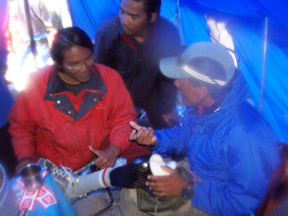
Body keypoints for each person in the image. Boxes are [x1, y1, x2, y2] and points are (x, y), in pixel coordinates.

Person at [125, 41, 281, 215]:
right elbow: (186, 134)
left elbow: (242, 204)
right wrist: (155, 138)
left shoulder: (246, 134)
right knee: (135, 186)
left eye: (180, 79)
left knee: (135, 203)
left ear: (202, 91)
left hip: (215, 201)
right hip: (196, 175)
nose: (176, 84)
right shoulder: (202, 108)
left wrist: (188, 188)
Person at [9, 26, 136, 180]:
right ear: (58, 64)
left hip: (99, 155)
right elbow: (21, 126)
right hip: (54, 164)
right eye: (74, 65)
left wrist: (114, 148)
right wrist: (25, 157)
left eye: (89, 58)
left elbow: (123, 117)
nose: (84, 69)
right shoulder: (36, 85)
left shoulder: (110, 78)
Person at [94, 0, 181, 130]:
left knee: (168, 135)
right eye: (122, 12)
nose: (124, 20)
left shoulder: (168, 34)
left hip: (154, 95)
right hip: (118, 98)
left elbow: (169, 76)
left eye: (132, 17)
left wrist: (167, 108)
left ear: (152, 17)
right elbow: (101, 77)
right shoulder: (107, 32)